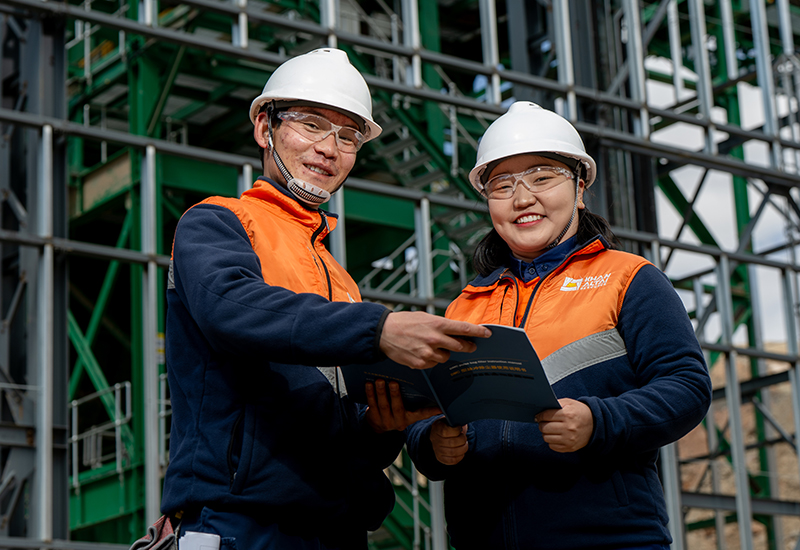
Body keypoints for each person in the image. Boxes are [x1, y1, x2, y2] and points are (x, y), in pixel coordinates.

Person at [159, 48, 491, 550]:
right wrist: (379, 328)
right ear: (264, 128)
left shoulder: (340, 278)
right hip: (240, 521)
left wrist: (378, 426)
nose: (329, 148)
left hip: (336, 527)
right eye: (312, 125)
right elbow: (230, 310)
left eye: (348, 136)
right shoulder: (216, 222)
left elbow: (332, 425)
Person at [406, 101, 712, 550]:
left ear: (580, 187)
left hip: (608, 542)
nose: (522, 199)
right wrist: (431, 443)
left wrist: (598, 421)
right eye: (502, 185)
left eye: (542, 178)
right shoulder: (464, 306)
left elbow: (687, 387)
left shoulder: (629, 279)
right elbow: (429, 411)